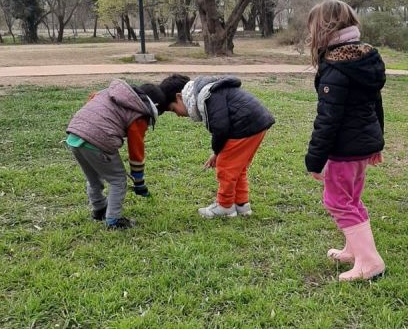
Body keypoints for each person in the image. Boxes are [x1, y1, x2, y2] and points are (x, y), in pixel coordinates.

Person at [304, 0, 386, 282]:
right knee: (351, 199)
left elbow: (328, 119)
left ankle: (369, 261)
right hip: (361, 146)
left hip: (345, 149)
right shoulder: (365, 58)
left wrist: (315, 160)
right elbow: (375, 103)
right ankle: (355, 250)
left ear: (323, 29)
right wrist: (376, 143)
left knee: (338, 200)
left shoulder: (336, 67)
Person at [159, 74, 274, 218]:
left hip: (244, 126)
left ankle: (225, 206)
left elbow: (220, 128)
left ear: (179, 97)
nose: (177, 115)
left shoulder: (207, 96)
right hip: (256, 123)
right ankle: (242, 205)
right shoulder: (208, 92)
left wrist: (217, 152)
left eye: (174, 109)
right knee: (238, 167)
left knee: (225, 167)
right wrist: (217, 152)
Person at [66, 79, 164, 230]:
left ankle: (99, 209)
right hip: (98, 140)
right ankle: (113, 220)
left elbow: (93, 101)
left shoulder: (109, 92)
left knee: (93, 177)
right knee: (118, 180)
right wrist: (139, 181)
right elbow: (136, 150)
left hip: (74, 135)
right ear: (155, 106)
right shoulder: (139, 113)